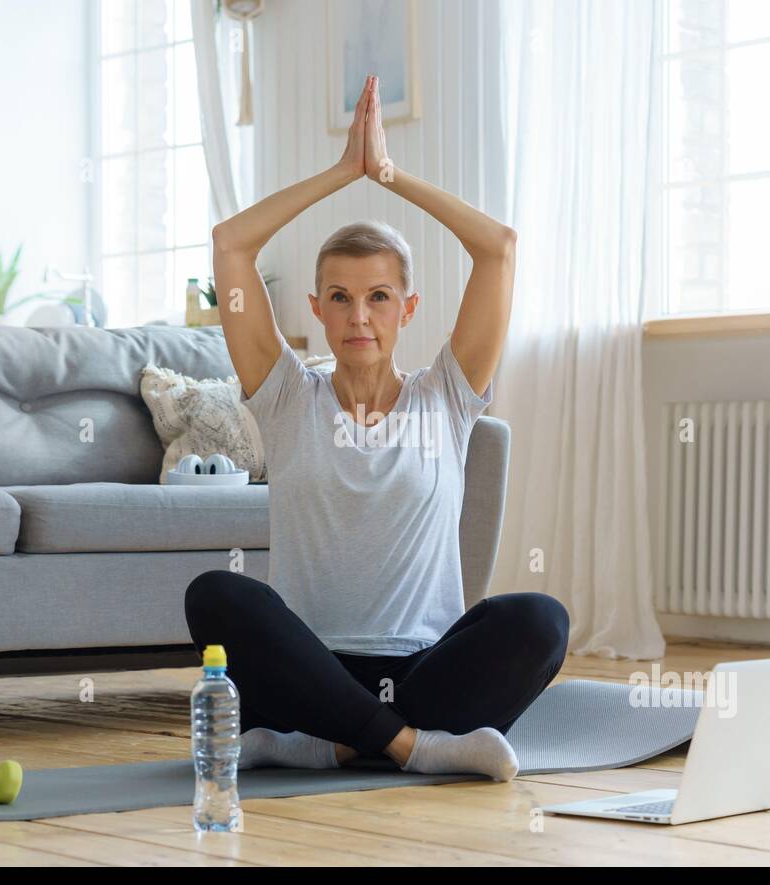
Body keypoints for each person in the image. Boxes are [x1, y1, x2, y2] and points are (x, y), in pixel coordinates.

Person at [185, 75, 568, 782]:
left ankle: (326, 744)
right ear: (318, 310)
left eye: (378, 297)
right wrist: (340, 174)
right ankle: (409, 748)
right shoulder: (286, 397)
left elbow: (500, 249)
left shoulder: (448, 395)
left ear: (408, 308)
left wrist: (389, 175)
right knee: (215, 594)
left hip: (422, 667)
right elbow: (230, 245)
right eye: (340, 298)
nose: (359, 316)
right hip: (310, 665)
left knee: (541, 620)